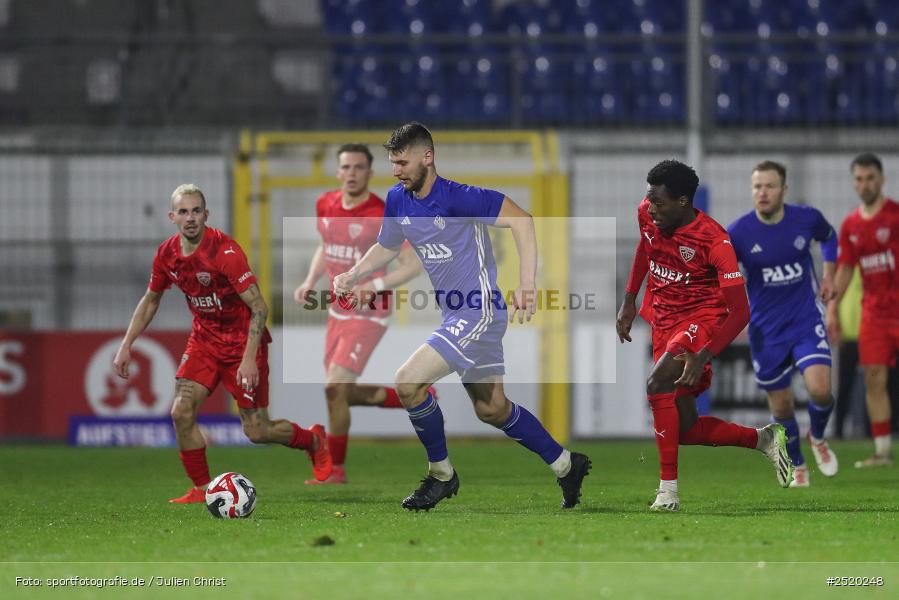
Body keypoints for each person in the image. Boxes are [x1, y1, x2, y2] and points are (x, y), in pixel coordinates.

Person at [333, 122, 591, 511]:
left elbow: (523, 221)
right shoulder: (397, 199)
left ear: (428, 157)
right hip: (457, 313)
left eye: (403, 162)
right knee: (492, 409)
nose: (397, 171)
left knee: (407, 383)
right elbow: (386, 247)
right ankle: (566, 464)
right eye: (393, 163)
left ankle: (442, 476)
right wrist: (355, 274)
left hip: (479, 310)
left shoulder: (459, 197)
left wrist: (526, 282)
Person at [113, 184, 332, 503]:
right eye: (183, 212)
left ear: (206, 214)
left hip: (243, 344)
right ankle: (202, 490)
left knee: (257, 431)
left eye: (196, 211)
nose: (190, 218)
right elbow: (151, 300)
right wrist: (126, 344)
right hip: (204, 341)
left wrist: (248, 360)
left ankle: (312, 440)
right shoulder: (166, 254)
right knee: (181, 412)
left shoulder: (225, 253)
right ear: (172, 217)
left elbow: (259, 307)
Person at [616, 159, 792, 512]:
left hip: (700, 320)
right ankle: (762, 439)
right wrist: (629, 299)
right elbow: (644, 248)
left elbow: (740, 311)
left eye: (658, 202)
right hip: (664, 321)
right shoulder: (648, 215)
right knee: (684, 430)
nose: (651, 208)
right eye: (648, 200)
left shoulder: (714, 240)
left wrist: (705, 353)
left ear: (683, 201)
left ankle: (668, 492)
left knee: (656, 384)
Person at [293, 143, 424, 485]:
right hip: (338, 310)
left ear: (369, 173)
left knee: (335, 386)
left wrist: (375, 284)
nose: (351, 173)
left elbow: (412, 266)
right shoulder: (325, 203)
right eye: (346, 167)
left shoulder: (383, 214)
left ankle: (335, 468)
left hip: (369, 311)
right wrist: (310, 280)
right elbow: (326, 246)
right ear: (337, 172)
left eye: (358, 168)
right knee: (336, 391)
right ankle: (412, 395)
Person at [727, 161, 839, 487]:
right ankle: (798, 462)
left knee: (820, 389)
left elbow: (830, 237)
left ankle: (817, 436)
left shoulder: (806, 219)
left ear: (784, 190)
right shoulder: (738, 233)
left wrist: (830, 274)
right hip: (766, 329)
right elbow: (722, 274)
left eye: (769, 186)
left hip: (805, 318)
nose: (762, 192)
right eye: (757, 186)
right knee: (782, 403)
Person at [827, 152, 898, 468]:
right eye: (859, 179)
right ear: (854, 183)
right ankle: (882, 451)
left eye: (870, 178)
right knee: (873, 378)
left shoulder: (895, 217)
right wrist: (832, 309)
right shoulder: (851, 225)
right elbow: (845, 270)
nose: (865, 184)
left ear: (881, 180)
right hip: (873, 313)